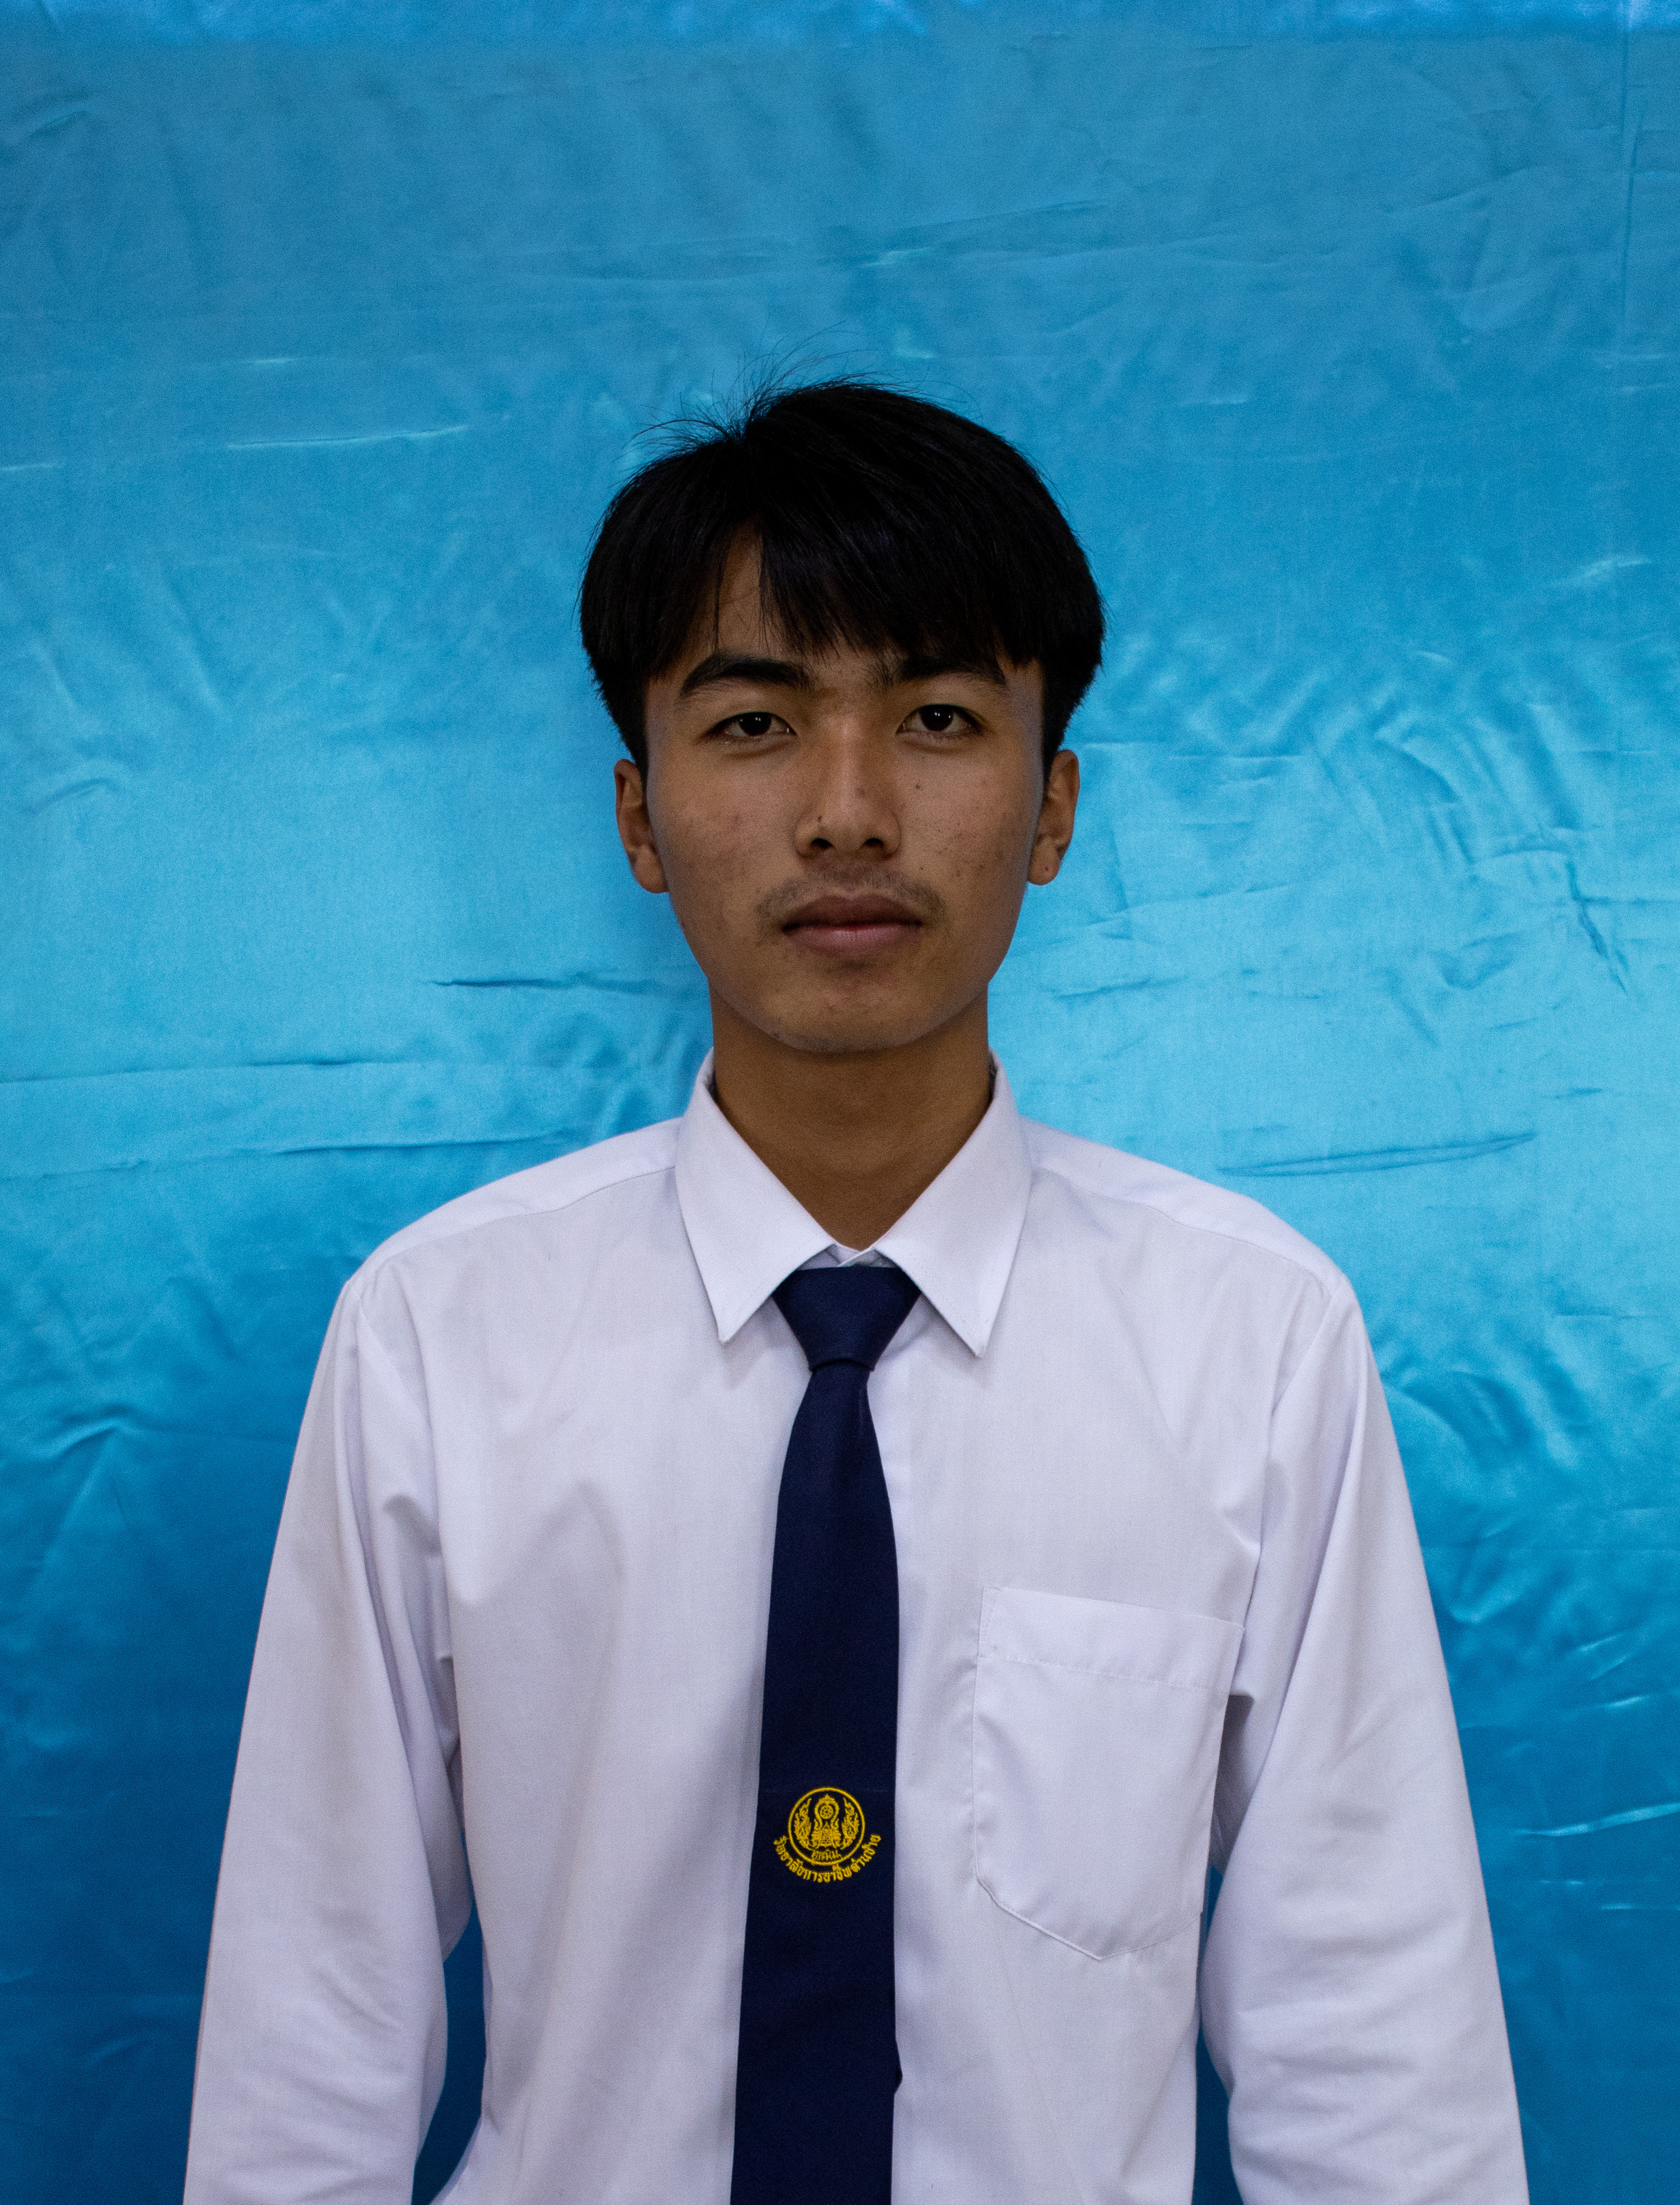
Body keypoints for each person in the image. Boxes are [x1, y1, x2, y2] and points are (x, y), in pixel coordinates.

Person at [184, 380, 1529, 2205]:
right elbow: (308, 2029)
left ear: (1052, 805)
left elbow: (1375, 2054)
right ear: (640, 814)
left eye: (939, 717)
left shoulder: (1253, 1343)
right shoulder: (439, 1334)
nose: (847, 810)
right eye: (753, 722)